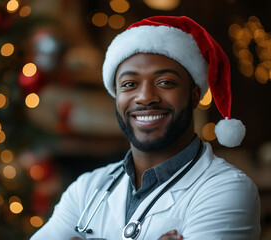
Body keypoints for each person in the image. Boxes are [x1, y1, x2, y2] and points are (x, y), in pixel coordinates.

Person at [30, 16, 260, 240]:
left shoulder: (228, 191)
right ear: (116, 96)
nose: (145, 97)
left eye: (165, 82)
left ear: (195, 94)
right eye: (129, 84)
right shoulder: (86, 189)